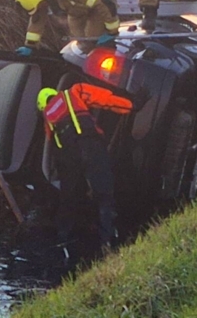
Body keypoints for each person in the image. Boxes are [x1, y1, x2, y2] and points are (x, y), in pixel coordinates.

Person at [36, 83, 133, 253]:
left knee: (69, 199)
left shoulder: (48, 118)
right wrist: (130, 106)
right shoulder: (72, 92)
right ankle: (108, 242)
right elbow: (104, 100)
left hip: (68, 157)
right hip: (89, 144)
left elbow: (54, 146)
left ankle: (63, 241)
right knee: (104, 194)